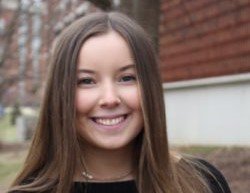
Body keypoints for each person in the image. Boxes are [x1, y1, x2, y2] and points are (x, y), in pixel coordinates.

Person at [9, 12, 231, 193]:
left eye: (127, 78)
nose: (110, 99)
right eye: (86, 81)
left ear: (150, 88)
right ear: (60, 95)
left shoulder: (202, 183)